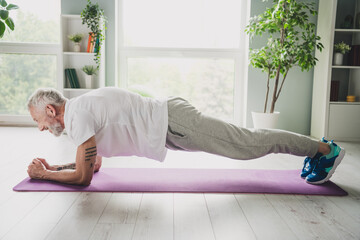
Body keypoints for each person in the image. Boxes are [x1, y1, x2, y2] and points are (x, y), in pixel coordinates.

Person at [27, 87, 345, 186]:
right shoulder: (80, 112)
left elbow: (83, 178)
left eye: (39, 120)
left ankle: (323, 149)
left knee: (248, 144)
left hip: (174, 123)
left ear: (51, 111)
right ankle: (316, 150)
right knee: (247, 142)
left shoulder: (78, 116)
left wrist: (44, 175)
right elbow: (93, 165)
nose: (41, 127)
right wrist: (55, 168)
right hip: (172, 124)